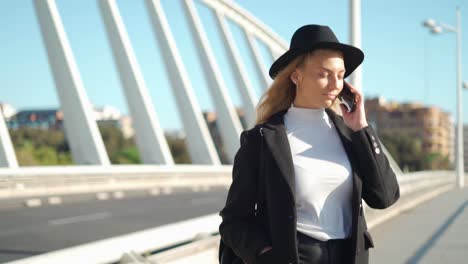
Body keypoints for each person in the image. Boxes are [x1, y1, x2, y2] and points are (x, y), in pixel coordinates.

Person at [218, 24, 400, 264]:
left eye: (340, 75)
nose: (335, 84)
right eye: (323, 74)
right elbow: (234, 220)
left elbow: (385, 197)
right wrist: (264, 254)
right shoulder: (262, 140)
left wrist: (361, 128)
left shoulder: (349, 134)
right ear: (296, 76)